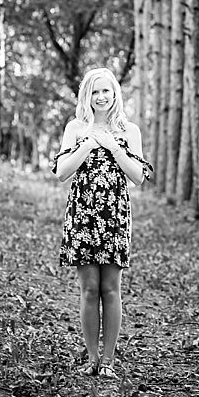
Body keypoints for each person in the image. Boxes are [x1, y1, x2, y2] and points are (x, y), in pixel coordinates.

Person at [50, 67, 154, 377]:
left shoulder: (128, 130)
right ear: (87, 96)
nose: (101, 97)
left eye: (106, 90)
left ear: (115, 94)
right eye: (95, 91)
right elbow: (61, 173)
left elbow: (138, 177)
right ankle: (92, 359)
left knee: (111, 288)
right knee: (88, 289)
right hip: (83, 214)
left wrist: (112, 146)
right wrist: (88, 144)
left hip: (115, 216)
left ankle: (108, 361)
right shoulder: (76, 128)